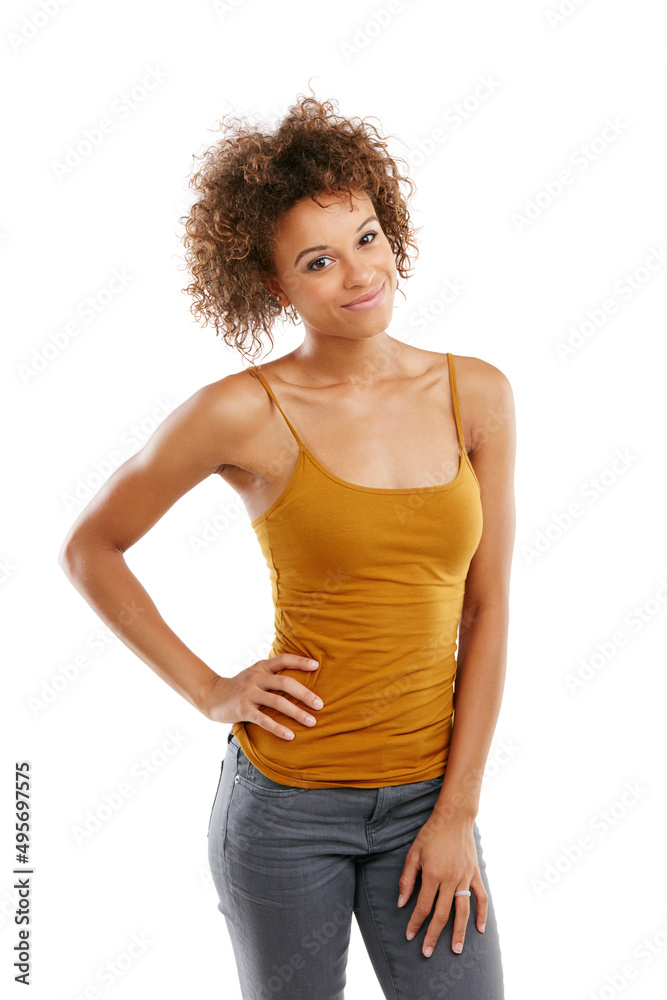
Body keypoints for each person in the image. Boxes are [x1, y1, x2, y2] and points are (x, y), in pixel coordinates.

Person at [58, 90, 515, 1000]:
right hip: (286, 809)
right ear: (274, 286)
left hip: (430, 800)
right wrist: (212, 690)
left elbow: (486, 605)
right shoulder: (244, 410)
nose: (357, 274)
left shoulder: (478, 395)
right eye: (318, 261)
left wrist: (456, 810)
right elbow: (92, 546)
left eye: (368, 238)